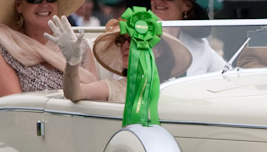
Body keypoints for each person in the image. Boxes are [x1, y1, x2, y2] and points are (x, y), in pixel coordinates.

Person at [43, 16, 191, 103]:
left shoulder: (175, 91)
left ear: (157, 50)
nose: (125, 46)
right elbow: (74, 93)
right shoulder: (114, 87)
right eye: (122, 40)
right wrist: (72, 63)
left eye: (134, 39)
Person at [122, 0, 226, 76]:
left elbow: (230, 77)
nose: (158, 0)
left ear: (187, 6)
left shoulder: (200, 47)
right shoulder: (134, 38)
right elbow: (121, 81)